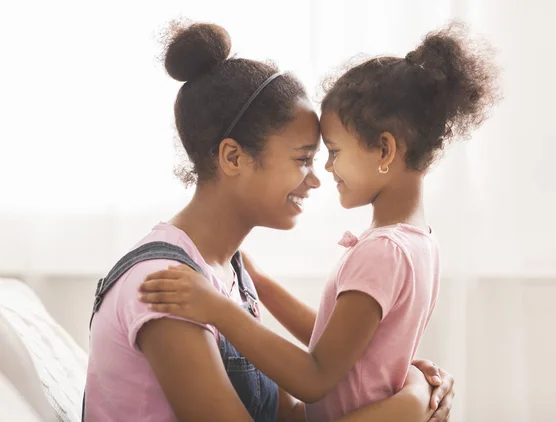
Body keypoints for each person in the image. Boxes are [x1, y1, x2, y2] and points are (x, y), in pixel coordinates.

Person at [84, 20, 455, 422]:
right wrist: (412, 403)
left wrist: (405, 379)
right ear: (233, 158)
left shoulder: (227, 276)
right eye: (303, 159)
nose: (316, 179)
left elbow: (293, 411)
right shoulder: (164, 286)